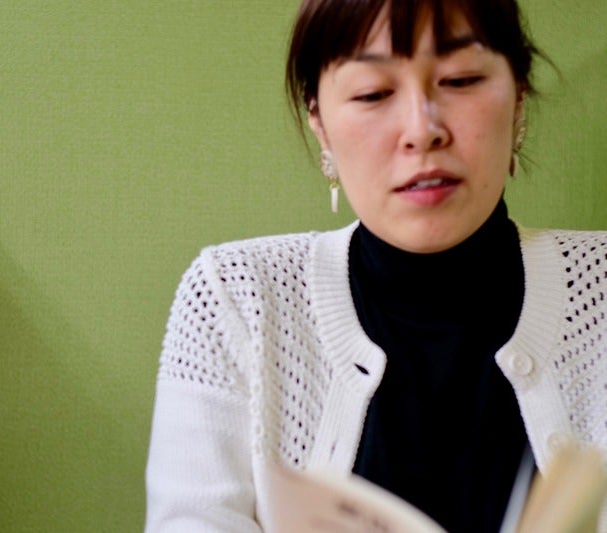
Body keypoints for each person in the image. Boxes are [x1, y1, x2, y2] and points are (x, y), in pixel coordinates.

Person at [145, 0, 607, 531]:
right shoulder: (236, 299)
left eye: (460, 80)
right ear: (320, 125)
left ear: (518, 97)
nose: (422, 130)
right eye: (373, 93)